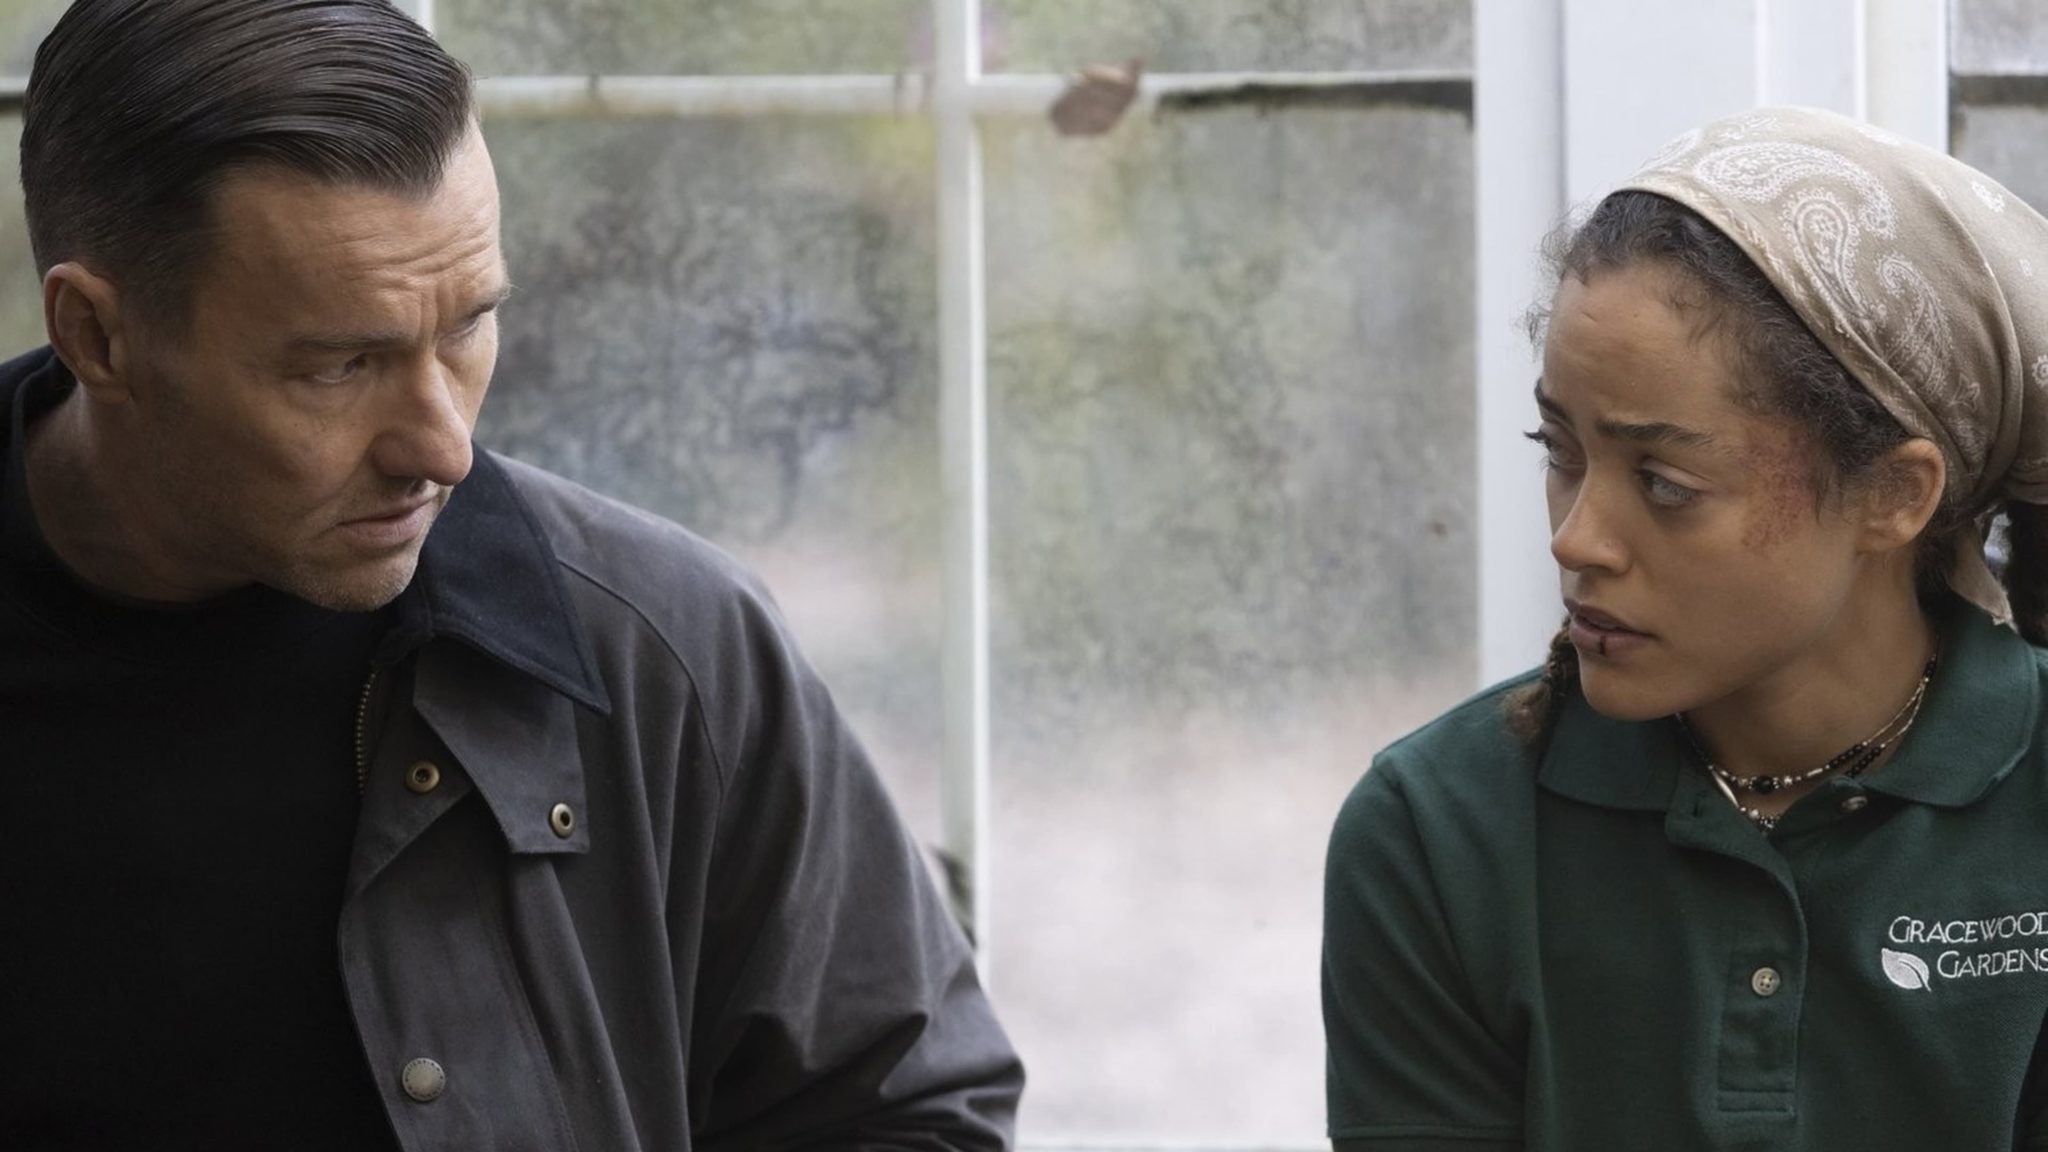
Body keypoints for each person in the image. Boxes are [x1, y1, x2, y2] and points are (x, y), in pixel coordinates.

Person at [0, 1, 1022, 1148]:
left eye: (467, 328)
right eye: (342, 365)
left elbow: (908, 1113)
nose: (444, 449)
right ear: (97, 337)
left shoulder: (661, 647)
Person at [1323, 105, 2048, 1149]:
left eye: (1663, 482)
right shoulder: (1439, 833)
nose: (1575, 538)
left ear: (1893, 495)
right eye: (1558, 450)